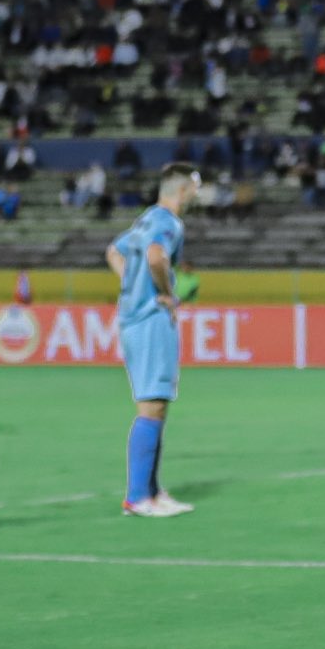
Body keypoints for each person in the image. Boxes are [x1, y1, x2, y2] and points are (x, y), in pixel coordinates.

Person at [105, 163, 203, 518]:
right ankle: (137, 498)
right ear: (183, 189)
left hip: (134, 319)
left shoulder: (145, 219)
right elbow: (155, 256)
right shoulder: (167, 222)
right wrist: (164, 293)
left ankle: (152, 491)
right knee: (151, 407)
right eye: (195, 187)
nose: (197, 194)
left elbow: (113, 252)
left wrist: (131, 284)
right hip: (149, 322)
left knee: (157, 405)